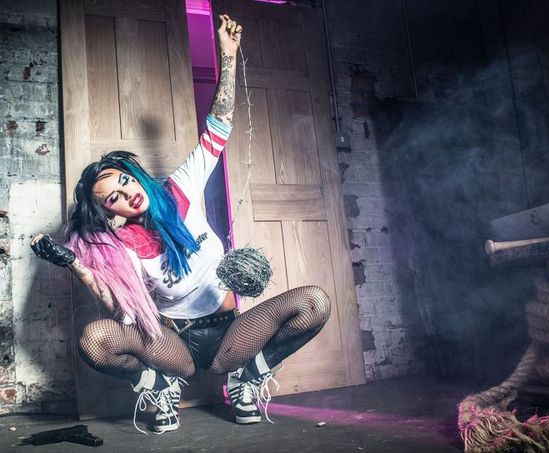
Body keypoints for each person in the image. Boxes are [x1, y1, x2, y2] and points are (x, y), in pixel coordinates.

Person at [30, 15, 330, 434]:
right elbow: (122, 310)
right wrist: (75, 265)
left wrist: (227, 56)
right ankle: (157, 387)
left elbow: (218, 129)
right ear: (108, 211)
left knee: (314, 302)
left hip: (232, 332)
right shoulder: (122, 246)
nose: (126, 193)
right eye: (113, 198)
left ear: (134, 176)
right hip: (175, 344)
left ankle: (246, 378)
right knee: (94, 340)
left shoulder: (179, 191)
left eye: (124, 181)